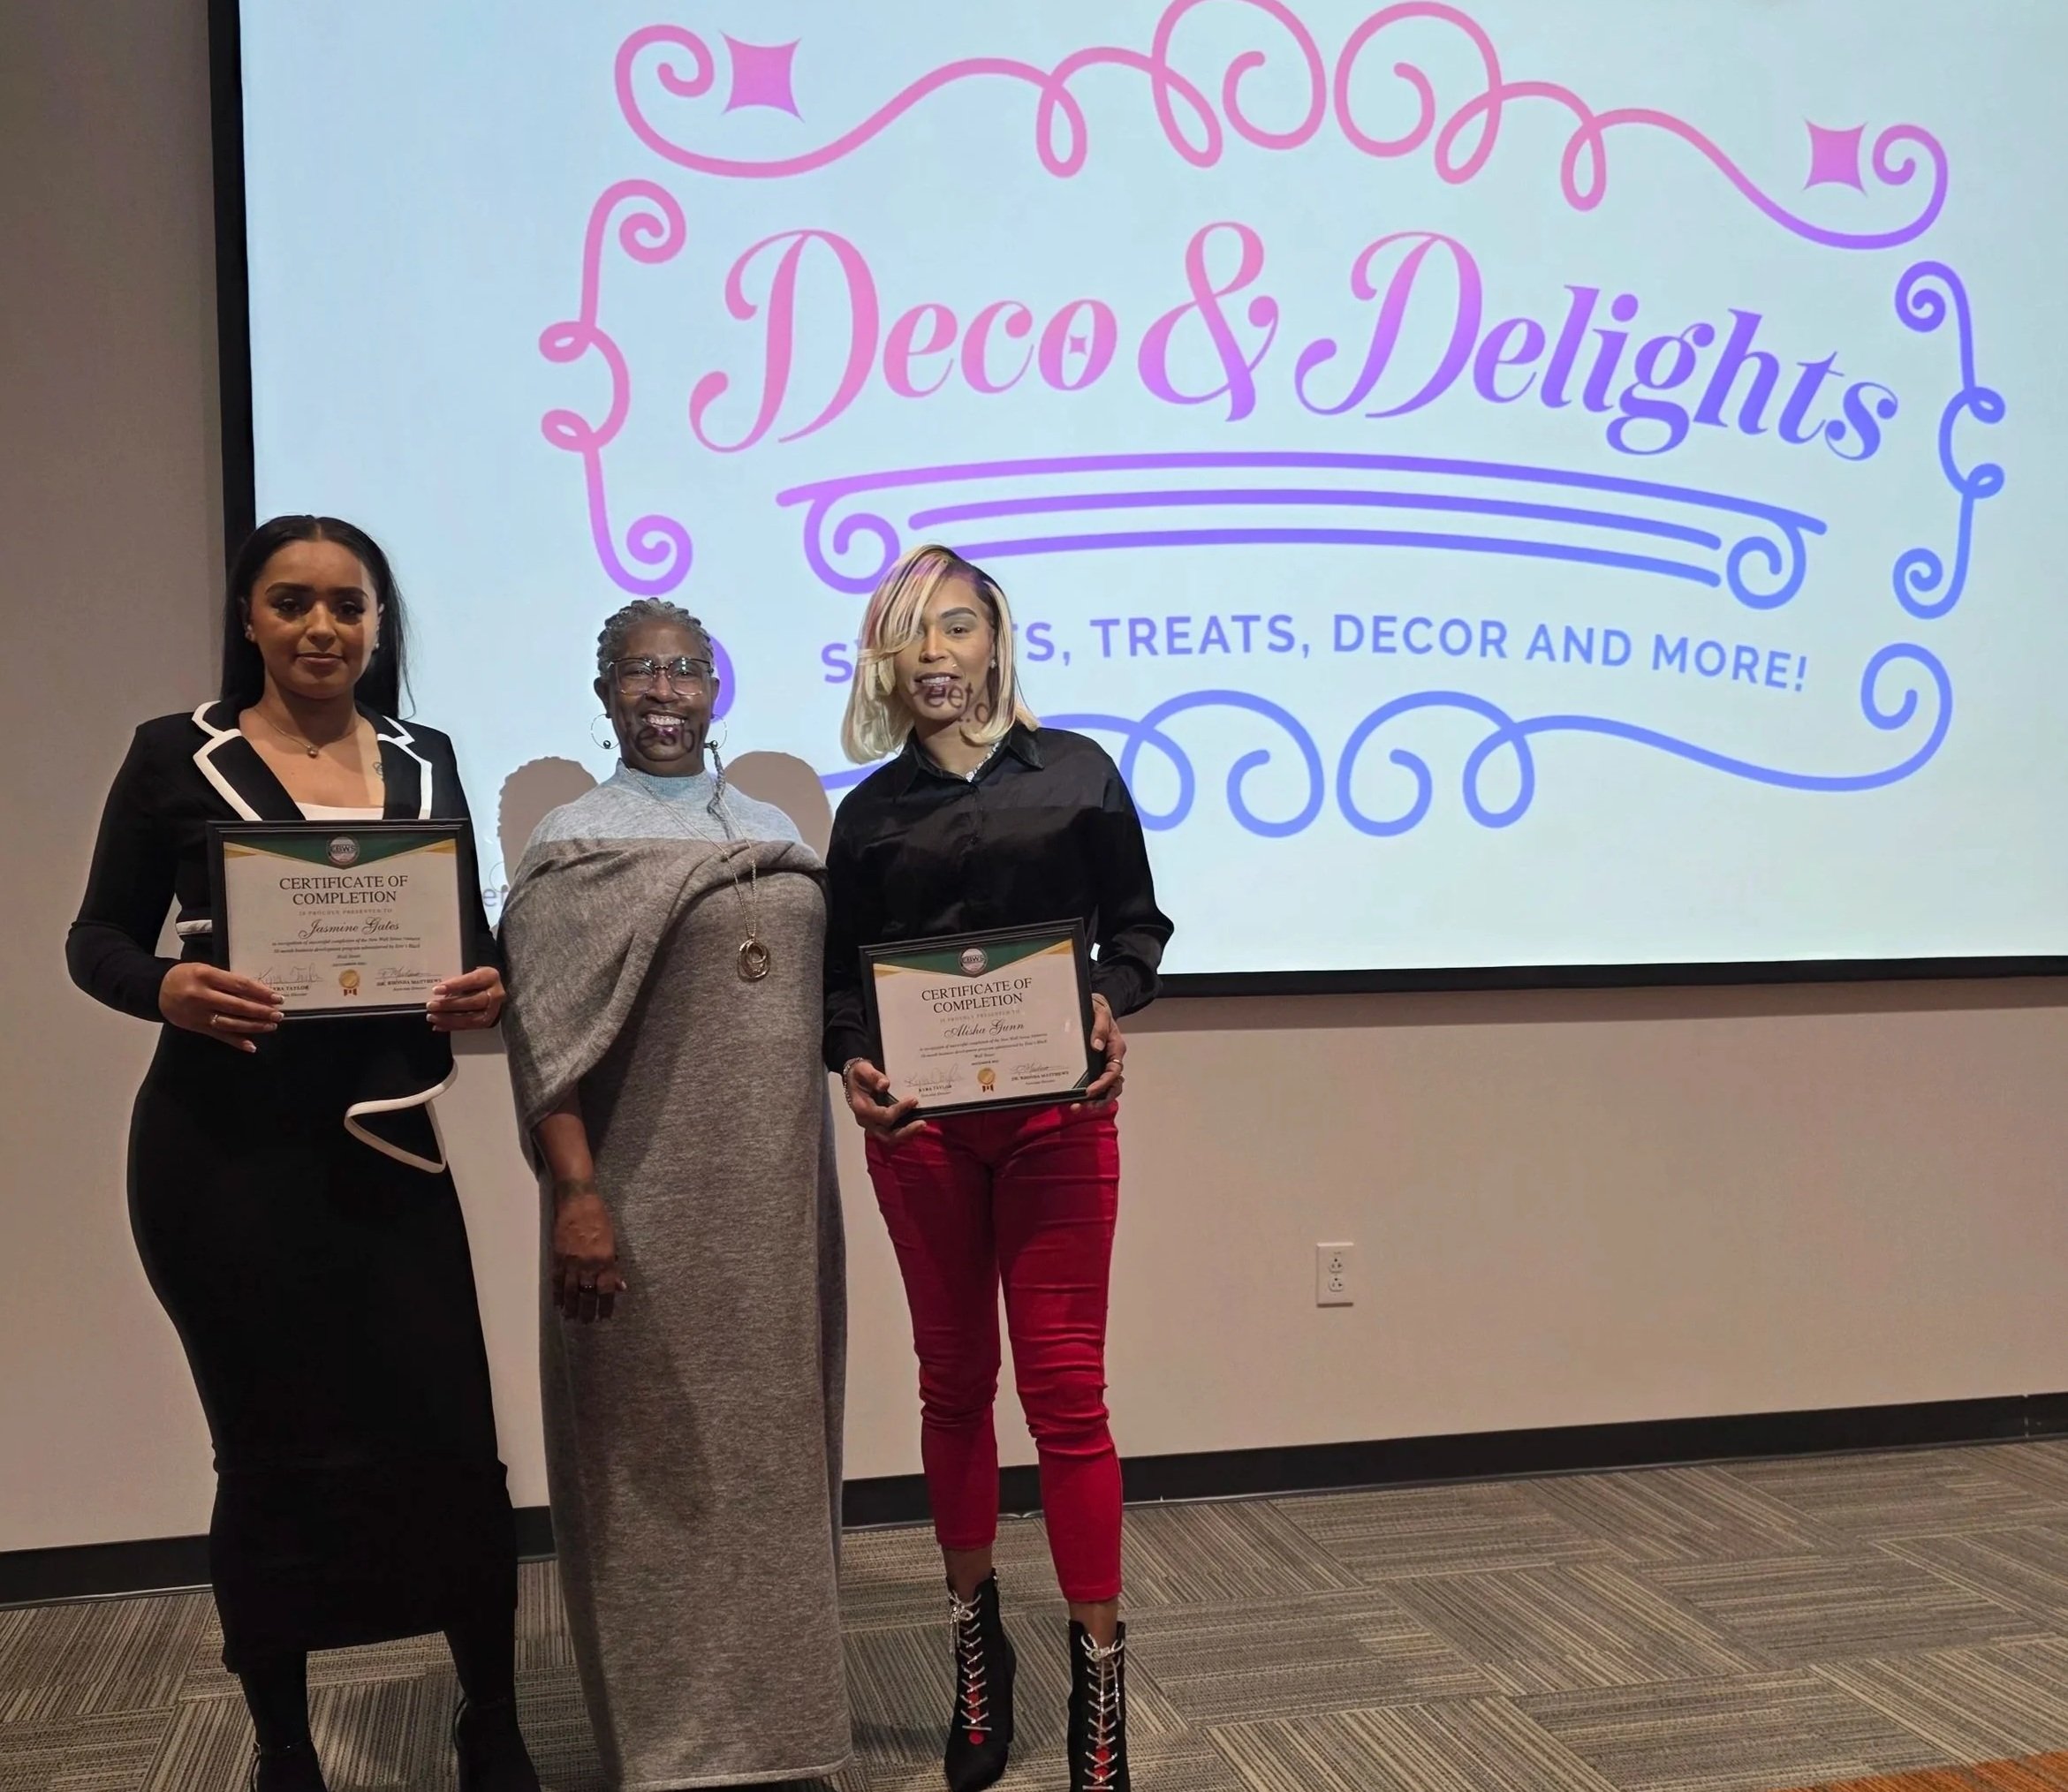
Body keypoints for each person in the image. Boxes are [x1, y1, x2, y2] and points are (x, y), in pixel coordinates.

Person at [65, 517, 537, 1792]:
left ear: (378, 623)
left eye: (347, 604)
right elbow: (96, 938)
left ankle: (487, 1715)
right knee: (269, 1451)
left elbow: (471, 938)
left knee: (448, 1441)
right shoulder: (178, 754)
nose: (322, 628)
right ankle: (283, 1739)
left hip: (386, 1152)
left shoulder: (425, 757)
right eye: (292, 603)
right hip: (219, 1160)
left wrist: (481, 989)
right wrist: (165, 990)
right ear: (249, 616)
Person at [823, 544, 1173, 1792]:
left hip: (1056, 1125)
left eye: (956, 627)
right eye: (910, 633)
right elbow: (836, 992)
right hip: (921, 1135)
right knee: (953, 1383)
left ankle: (1096, 1671)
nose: (934, 654)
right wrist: (852, 1061)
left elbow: (1136, 932)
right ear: (886, 656)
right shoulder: (864, 814)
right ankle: (978, 1641)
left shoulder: (1078, 774)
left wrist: (1107, 1002)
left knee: (1067, 1396)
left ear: (995, 642)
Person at [498, 600, 850, 1789]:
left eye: (686, 668)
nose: (664, 689)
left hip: (775, 1217)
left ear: (717, 688)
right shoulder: (568, 843)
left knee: (771, 1476)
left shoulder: (768, 827)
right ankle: (667, 1747)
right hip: (635, 1216)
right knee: (649, 1486)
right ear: (603, 692)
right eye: (640, 670)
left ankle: (779, 1733)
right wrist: (576, 1196)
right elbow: (544, 1041)